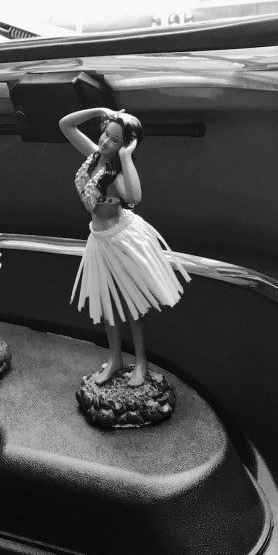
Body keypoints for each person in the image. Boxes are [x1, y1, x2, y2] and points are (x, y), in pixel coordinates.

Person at [59, 107, 190, 386]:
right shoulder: (94, 155)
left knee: (134, 307)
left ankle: (141, 362)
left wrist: (126, 156)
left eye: (115, 140)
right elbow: (65, 125)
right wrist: (99, 110)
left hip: (122, 238)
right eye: (106, 134)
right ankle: (116, 358)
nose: (106, 141)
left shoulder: (115, 172)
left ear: (125, 145)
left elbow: (135, 196)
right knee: (109, 305)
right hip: (99, 239)